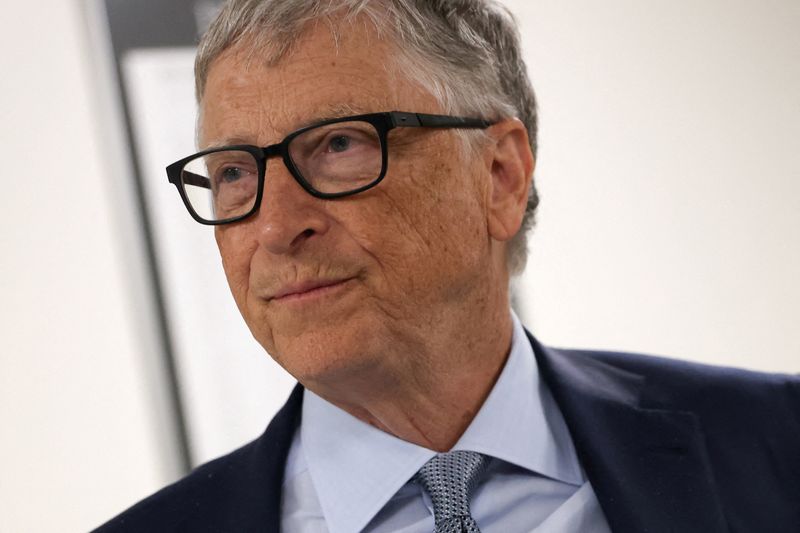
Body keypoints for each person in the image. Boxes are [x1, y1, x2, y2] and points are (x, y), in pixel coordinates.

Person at [96, 1, 799, 532]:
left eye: (339, 144)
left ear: (499, 176)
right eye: (233, 172)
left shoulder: (777, 443)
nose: (277, 226)